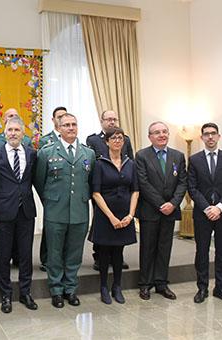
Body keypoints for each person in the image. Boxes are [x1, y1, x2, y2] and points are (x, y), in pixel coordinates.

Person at [34, 113, 95, 308]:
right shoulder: (46, 152)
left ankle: (70, 288)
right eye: (66, 125)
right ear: (58, 128)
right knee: (55, 252)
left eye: (74, 124)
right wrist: (51, 200)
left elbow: (90, 181)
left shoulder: (88, 153)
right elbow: (39, 181)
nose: (71, 128)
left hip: (79, 210)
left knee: (74, 253)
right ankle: (56, 290)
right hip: (55, 211)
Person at [0, 117, 38, 313]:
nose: (13, 133)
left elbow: (35, 179)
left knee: (26, 254)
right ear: (4, 132)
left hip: (26, 211)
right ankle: (6, 295)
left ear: (23, 133)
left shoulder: (32, 154)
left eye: (17, 129)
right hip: (4, 212)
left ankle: (25, 292)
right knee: (4, 255)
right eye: (10, 129)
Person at [188, 123, 222, 304]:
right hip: (202, 214)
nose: (210, 137)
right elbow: (192, 188)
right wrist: (207, 208)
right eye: (206, 134)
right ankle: (202, 288)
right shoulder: (194, 160)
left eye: (213, 134)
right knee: (201, 251)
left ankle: (221, 288)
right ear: (201, 138)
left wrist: (219, 207)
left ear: (218, 136)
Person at [136, 121, 187, 301]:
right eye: (157, 132)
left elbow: (182, 182)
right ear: (150, 137)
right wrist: (161, 204)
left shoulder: (178, 156)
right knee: (148, 247)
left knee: (165, 247)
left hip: (170, 211)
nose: (161, 135)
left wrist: (173, 204)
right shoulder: (141, 156)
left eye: (164, 132)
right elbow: (143, 183)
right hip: (150, 210)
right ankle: (145, 284)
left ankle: (161, 283)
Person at [90, 128, 138, 304]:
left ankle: (117, 287)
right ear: (107, 142)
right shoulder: (100, 164)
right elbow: (95, 193)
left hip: (125, 214)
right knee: (104, 252)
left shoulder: (130, 164)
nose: (117, 141)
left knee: (119, 252)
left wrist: (131, 215)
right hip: (105, 214)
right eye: (113, 138)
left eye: (120, 138)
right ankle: (103, 287)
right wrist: (111, 217)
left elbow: (135, 191)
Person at [86, 109, 134, 271]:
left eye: (114, 119)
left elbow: (130, 161)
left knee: (120, 222)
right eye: (108, 119)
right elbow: (91, 164)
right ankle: (99, 256)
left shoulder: (125, 139)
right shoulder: (93, 140)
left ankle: (117, 257)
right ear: (102, 121)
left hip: (121, 191)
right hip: (101, 188)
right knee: (101, 224)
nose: (112, 122)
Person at [38, 106, 68, 272]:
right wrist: (46, 196)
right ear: (53, 120)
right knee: (49, 228)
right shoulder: (45, 141)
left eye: (64, 116)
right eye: (58, 116)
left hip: (67, 194)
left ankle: (61, 257)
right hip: (52, 194)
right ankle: (45, 258)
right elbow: (40, 175)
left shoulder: (72, 138)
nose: (61, 119)